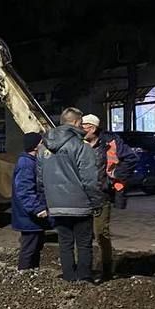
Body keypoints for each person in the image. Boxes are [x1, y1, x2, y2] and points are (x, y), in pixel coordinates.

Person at [37, 107, 104, 282]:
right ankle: (84, 278)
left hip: (56, 205)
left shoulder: (44, 146)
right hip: (80, 204)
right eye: (81, 123)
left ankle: (68, 276)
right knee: (83, 244)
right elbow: (89, 178)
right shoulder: (81, 146)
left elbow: (40, 178)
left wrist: (47, 201)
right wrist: (96, 202)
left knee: (65, 243)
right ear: (76, 122)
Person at [80, 113, 136, 281]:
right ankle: (86, 270)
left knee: (101, 234)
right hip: (82, 195)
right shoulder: (79, 144)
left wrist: (114, 175)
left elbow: (131, 158)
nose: (80, 130)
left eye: (82, 127)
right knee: (83, 235)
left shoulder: (110, 142)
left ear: (92, 128)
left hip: (101, 195)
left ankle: (106, 271)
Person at [11, 131, 50, 269]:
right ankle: (24, 276)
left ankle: (32, 274)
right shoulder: (26, 163)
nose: (44, 145)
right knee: (29, 249)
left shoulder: (30, 161)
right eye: (41, 143)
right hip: (29, 217)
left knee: (35, 247)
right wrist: (37, 208)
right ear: (35, 147)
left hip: (30, 217)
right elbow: (24, 189)